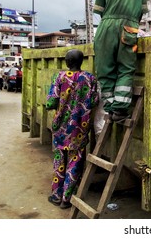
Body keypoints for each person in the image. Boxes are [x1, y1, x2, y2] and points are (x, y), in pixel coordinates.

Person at [93, 0, 148, 121]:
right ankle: (121, 110)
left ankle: (110, 107)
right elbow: (141, 13)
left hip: (107, 27)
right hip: (130, 29)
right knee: (126, 68)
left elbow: (99, 10)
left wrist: (113, 20)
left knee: (105, 68)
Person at [45, 49, 99, 209]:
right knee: (75, 161)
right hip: (79, 128)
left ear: (67, 62)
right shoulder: (90, 78)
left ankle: (56, 195)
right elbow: (95, 101)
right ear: (81, 61)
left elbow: (51, 103)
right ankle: (67, 199)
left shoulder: (59, 77)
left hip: (60, 127)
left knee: (59, 160)